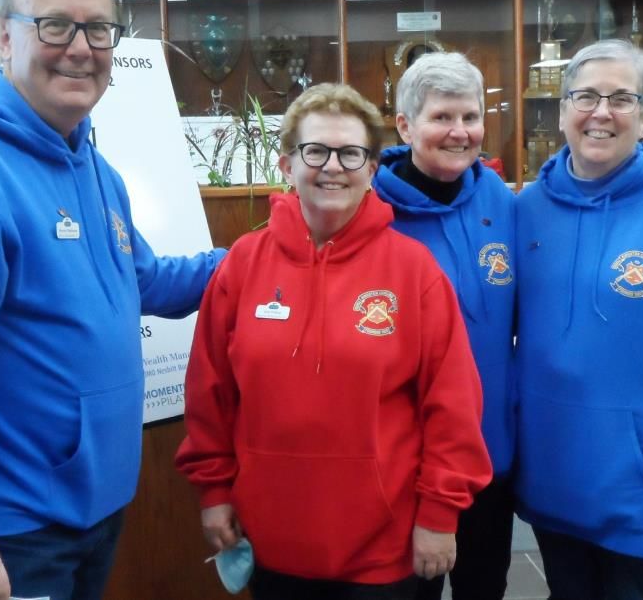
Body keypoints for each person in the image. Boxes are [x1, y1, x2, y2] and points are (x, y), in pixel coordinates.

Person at [0, 0, 223, 600]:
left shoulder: (93, 167)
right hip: (9, 528)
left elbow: (143, 281)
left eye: (98, 29)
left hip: (93, 508)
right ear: (4, 36)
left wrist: (259, 255)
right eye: (55, 25)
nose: (81, 49)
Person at [176, 83, 492, 599]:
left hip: (382, 548)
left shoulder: (414, 271)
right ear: (286, 164)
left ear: (372, 170)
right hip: (271, 539)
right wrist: (213, 491)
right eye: (315, 151)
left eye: (350, 153)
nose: (332, 167)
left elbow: (452, 403)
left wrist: (440, 512)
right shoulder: (243, 265)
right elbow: (210, 394)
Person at [515, 38, 643, 600]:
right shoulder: (526, 210)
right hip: (551, 472)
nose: (601, 113)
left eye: (621, 98)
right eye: (586, 97)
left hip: (638, 481)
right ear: (562, 112)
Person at [374, 52, 516, 600]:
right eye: (441, 117)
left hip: (489, 454)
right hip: (407, 467)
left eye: (470, 117)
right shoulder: (372, 212)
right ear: (405, 125)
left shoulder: (499, 198)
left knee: (485, 587)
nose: (460, 132)